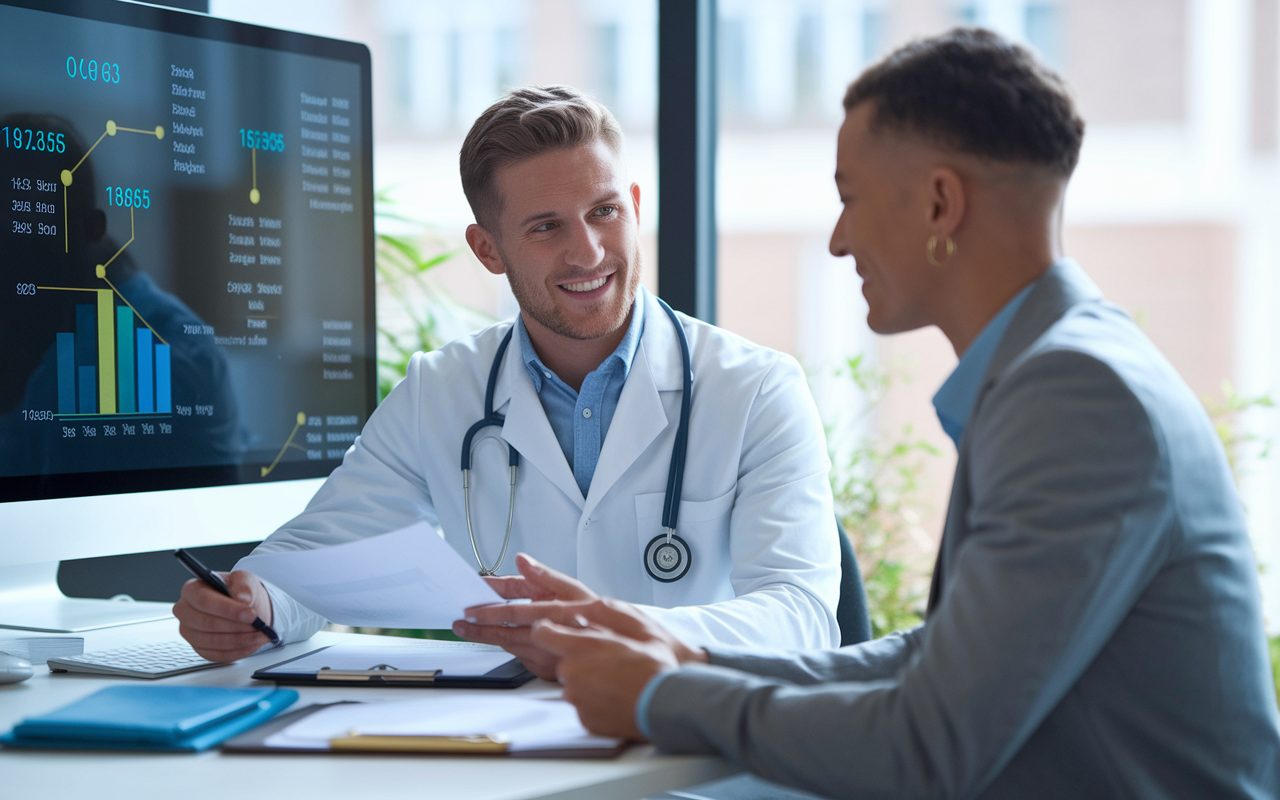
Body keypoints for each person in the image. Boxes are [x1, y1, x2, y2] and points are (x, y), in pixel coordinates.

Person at [467, 29, 1280, 799]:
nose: (838, 239)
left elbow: (930, 743)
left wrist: (660, 697)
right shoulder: (1066, 366)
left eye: (850, 198)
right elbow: (942, 661)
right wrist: (685, 658)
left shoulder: (1076, 400)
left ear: (939, 205)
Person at [173, 86, 842, 677]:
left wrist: (613, 628)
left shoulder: (755, 391)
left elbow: (801, 618)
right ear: (487, 249)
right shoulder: (442, 389)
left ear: (635, 206)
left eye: (605, 211)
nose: (588, 252)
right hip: (516, 751)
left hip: (693, 754)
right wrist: (252, 603)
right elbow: (321, 552)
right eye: (547, 226)